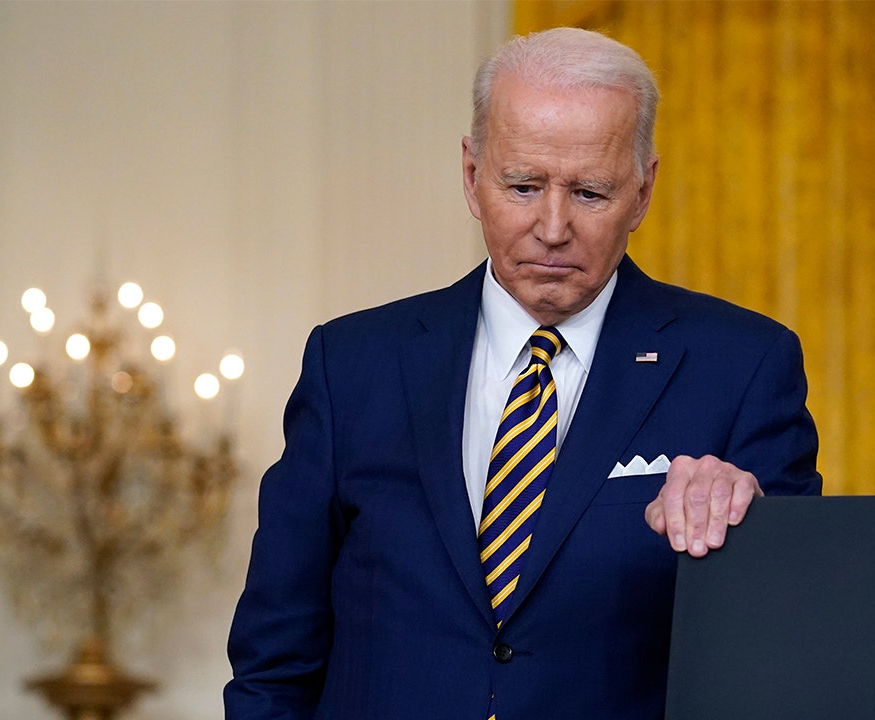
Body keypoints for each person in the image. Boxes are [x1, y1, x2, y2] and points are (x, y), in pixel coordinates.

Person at [225, 27, 820, 720]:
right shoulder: (351, 365)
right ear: (472, 176)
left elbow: (790, 645)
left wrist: (753, 534)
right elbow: (274, 662)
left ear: (643, 191)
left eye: (590, 192)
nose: (553, 227)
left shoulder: (745, 367)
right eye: (524, 186)